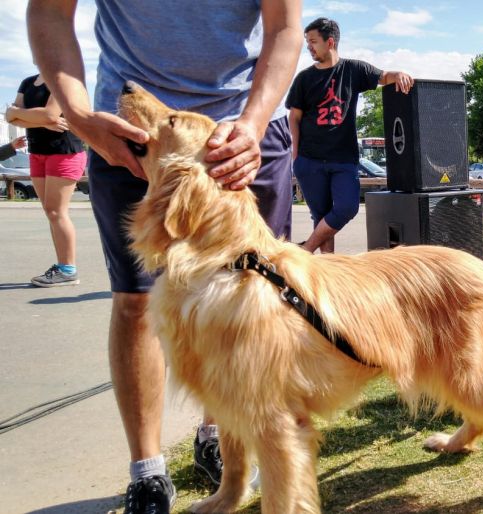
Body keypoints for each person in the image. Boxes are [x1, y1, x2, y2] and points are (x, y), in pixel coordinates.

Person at [28, 1, 302, 512]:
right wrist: (81, 116)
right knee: (135, 303)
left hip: (242, 136)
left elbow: (285, 26)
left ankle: (220, 443)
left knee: (246, 308)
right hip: (126, 138)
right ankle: (147, 471)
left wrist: (254, 122)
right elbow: (47, 13)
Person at [287, 17, 413, 253]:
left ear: (330, 42)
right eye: (307, 42)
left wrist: (398, 74)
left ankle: (306, 249)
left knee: (347, 208)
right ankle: (328, 268)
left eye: (313, 41)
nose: (309, 47)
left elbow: (383, 77)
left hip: (343, 158)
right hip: (310, 159)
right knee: (321, 216)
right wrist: (296, 154)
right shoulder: (304, 78)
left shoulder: (353, 69)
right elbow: (294, 118)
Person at [6, 74, 86, 287]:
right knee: (51, 213)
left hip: (64, 151)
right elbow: (9, 117)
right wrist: (38, 118)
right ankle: (63, 267)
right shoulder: (27, 82)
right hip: (37, 151)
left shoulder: (63, 80)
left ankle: (68, 270)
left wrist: (20, 114)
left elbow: (51, 114)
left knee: (56, 211)